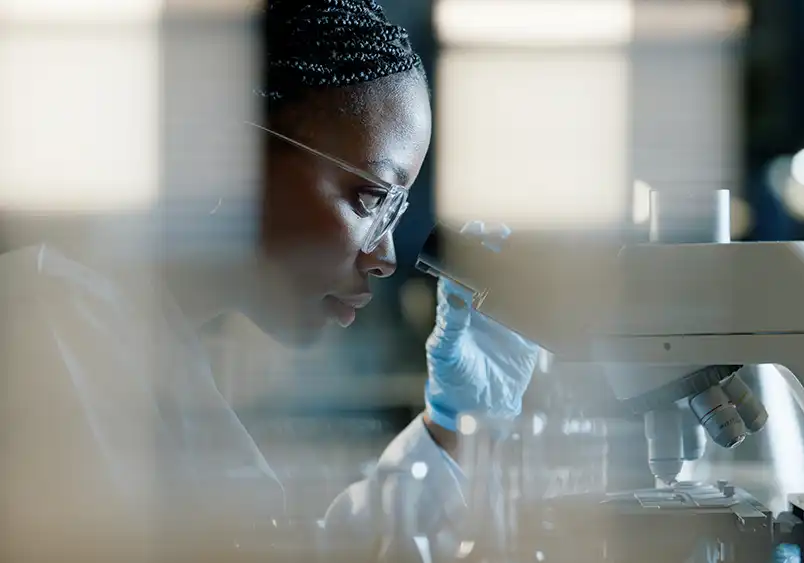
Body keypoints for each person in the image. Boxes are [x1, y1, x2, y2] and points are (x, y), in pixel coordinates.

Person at [0, 0, 538, 560]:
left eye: (396, 212)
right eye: (372, 198)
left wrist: (451, 431)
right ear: (228, 156)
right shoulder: (51, 332)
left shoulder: (142, 343)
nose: (385, 256)